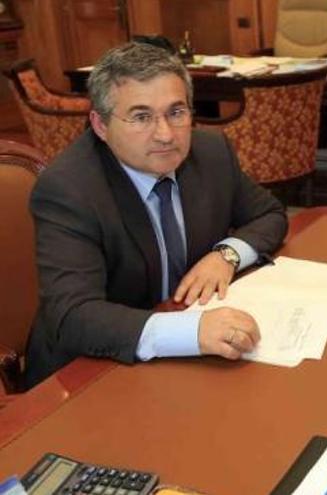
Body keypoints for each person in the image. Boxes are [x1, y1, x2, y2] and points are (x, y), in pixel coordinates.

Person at [25, 42, 288, 388]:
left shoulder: (210, 153)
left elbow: (270, 214)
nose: (165, 135)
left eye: (176, 112)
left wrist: (226, 255)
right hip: (90, 372)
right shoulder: (69, 189)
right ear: (101, 126)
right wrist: (192, 332)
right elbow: (74, 316)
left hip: (185, 365)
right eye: (141, 116)